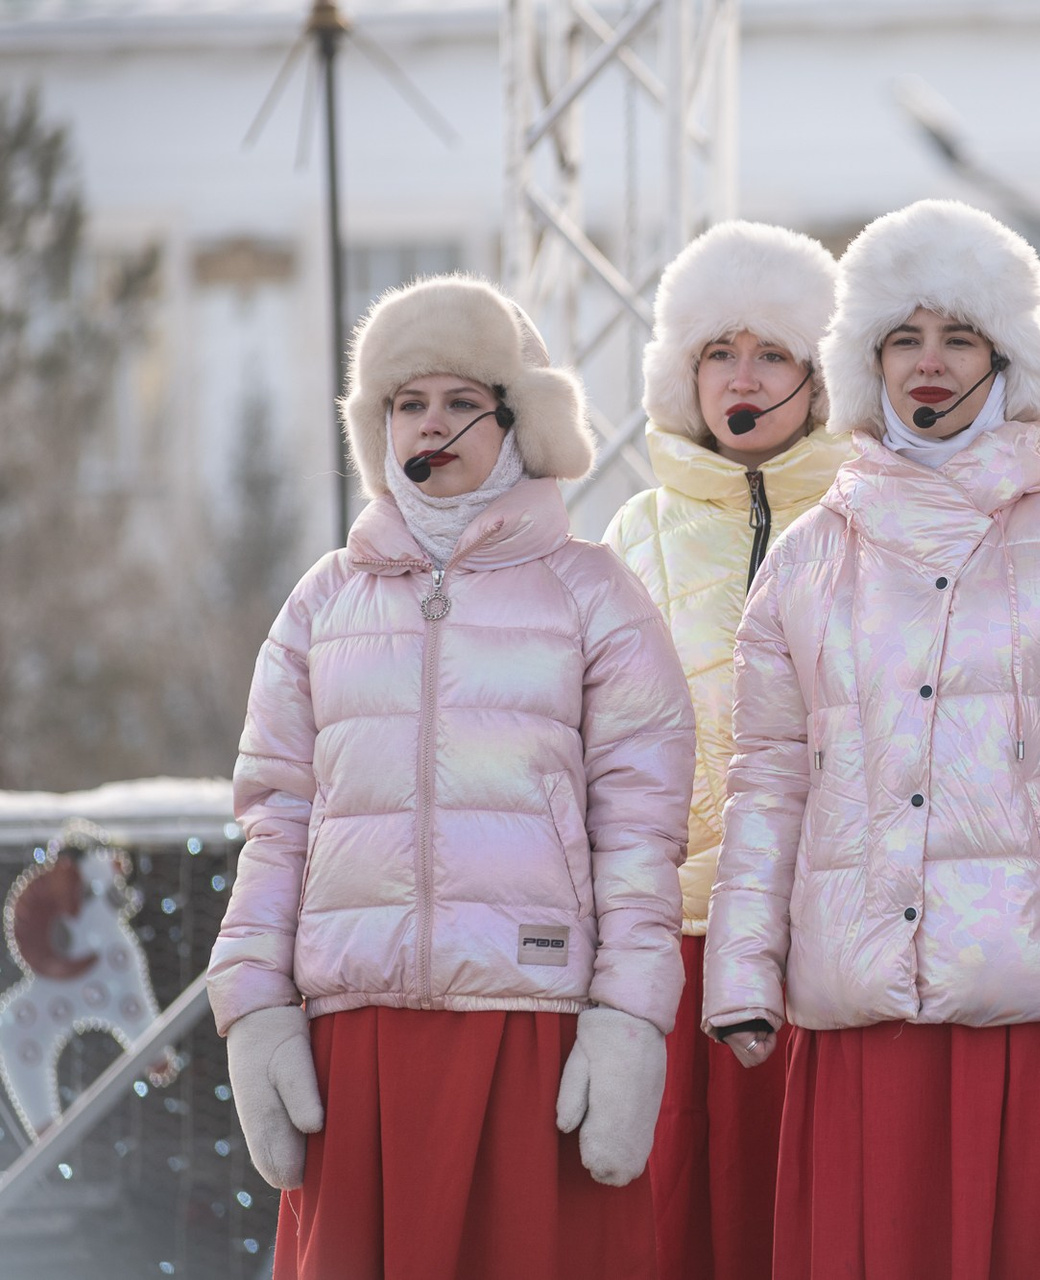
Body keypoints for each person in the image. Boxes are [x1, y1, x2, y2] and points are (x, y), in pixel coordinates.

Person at [702, 199, 1040, 1280]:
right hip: (858, 1010)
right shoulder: (805, 562)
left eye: (958, 337)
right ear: (865, 361)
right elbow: (766, 780)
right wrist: (742, 967)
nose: (928, 363)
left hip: (1034, 1011)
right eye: (903, 338)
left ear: (1007, 358)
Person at [209, 274, 696, 1279]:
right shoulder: (322, 602)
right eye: (408, 402)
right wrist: (252, 1005)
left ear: (518, 422)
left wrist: (628, 1017)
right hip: (357, 1041)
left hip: (535, 1031)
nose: (431, 424)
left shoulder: (593, 593)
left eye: (461, 400)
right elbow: (276, 819)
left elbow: (641, 831)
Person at [603, 220, 847, 1280]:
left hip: (826, 943)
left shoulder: (866, 521)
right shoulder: (630, 534)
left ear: (820, 376)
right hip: (674, 944)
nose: (742, 378)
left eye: (772, 353)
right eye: (718, 352)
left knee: (806, 1224)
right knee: (674, 1228)